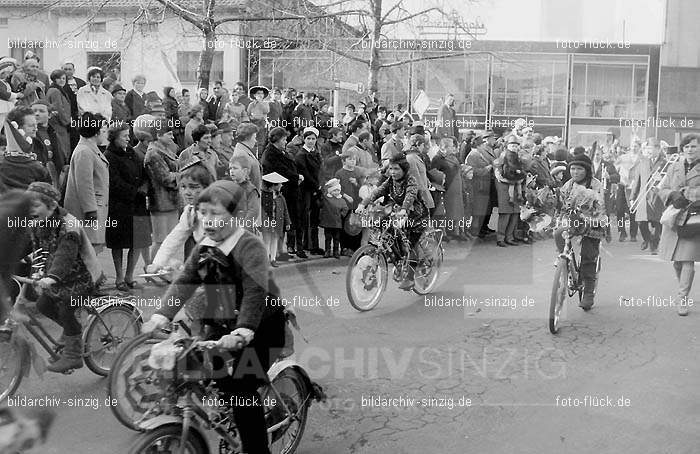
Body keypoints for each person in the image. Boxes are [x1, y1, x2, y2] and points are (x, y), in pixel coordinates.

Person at [141, 180, 286, 454]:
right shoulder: (205, 246)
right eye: (202, 212)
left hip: (261, 326)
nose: (207, 220)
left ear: (237, 216)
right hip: (221, 321)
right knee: (197, 371)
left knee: (242, 391)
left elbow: (255, 292)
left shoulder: (249, 246)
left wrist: (243, 331)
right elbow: (184, 281)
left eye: (215, 213)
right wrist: (161, 315)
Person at [24, 182, 102, 373]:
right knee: (43, 304)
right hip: (60, 278)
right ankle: (72, 332)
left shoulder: (69, 226)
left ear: (51, 205)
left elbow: (64, 256)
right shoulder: (37, 222)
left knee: (67, 310)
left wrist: (51, 277)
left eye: (34, 206)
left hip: (83, 277)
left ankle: (74, 356)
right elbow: (31, 246)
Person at [356, 154, 428, 290]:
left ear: (404, 169)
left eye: (396, 169)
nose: (393, 172)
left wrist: (404, 209)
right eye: (391, 168)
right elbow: (376, 192)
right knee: (384, 230)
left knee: (411, 244)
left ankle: (410, 278)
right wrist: (363, 204)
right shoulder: (390, 181)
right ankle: (395, 258)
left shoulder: (411, 180)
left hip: (416, 215)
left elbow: (410, 196)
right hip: (397, 212)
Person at [554, 153, 606, 310]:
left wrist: (587, 214)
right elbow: (562, 203)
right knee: (558, 233)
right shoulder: (568, 184)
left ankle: (589, 291)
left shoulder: (595, 184)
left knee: (588, 257)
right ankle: (564, 256)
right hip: (573, 220)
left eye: (579, 169)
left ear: (587, 170)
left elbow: (599, 205)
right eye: (573, 169)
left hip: (593, 222)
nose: (575, 172)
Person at [658, 133, 700, 316]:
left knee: (687, 260)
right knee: (676, 262)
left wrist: (689, 194)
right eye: (686, 147)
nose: (690, 150)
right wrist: (671, 195)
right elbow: (662, 188)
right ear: (682, 149)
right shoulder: (674, 166)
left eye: (694, 146)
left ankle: (682, 299)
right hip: (674, 218)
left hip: (694, 218)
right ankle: (684, 290)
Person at [105, 123, 150, 291]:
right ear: (114, 138)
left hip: (137, 204)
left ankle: (129, 276)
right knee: (118, 244)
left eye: (128, 135)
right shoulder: (109, 155)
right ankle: (119, 278)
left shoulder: (131, 152)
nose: (128, 138)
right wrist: (135, 192)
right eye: (124, 136)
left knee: (136, 242)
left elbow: (143, 173)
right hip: (120, 206)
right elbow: (114, 182)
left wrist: (144, 189)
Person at [148, 157, 213, 273]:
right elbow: (174, 238)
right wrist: (158, 263)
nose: (187, 192)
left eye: (193, 187)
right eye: (183, 187)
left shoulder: (214, 212)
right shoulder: (189, 212)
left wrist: (187, 269)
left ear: (206, 188)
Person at [62, 113, 110, 256]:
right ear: (96, 132)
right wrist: (90, 210)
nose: (105, 134)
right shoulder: (85, 151)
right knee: (87, 253)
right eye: (104, 130)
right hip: (86, 212)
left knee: (91, 252)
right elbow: (85, 184)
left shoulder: (89, 149)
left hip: (95, 207)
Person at [261, 126, 303, 259]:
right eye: (284, 139)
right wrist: (296, 177)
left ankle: (279, 251)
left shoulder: (281, 152)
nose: (286, 142)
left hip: (288, 191)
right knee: (278, 222)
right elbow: (280, 170)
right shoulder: (270, 154)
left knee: (285, 222)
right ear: (276, 140)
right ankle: (275, 252)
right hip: (279, 192)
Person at [144, 123, 180, 258]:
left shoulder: (164, 149)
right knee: (160, 241)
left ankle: (165, 271)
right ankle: (153, 270)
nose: (172, 137)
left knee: (170, 241)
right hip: (160, 203)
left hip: (169, 202)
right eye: (169, 134)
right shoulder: (153, 153)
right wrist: (180, 175)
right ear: (158, 135)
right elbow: (165, 178)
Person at [0, 107, 52, 190]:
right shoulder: (3, 154)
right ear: (18, 128)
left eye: (36, 125)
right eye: (31, 126)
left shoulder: (39, 145)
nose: (35, 129)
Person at [629, 139, 666, 254]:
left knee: (658, 224)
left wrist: (662, 180)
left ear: (658, 149)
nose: (648, 151)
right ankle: (647, 239)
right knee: (641, 222)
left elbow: (670, 180)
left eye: (651, 149)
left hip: (657, 198)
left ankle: (654, 245)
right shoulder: (642, 162)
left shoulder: (665, 163)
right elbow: (637, 181)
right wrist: (632, 197)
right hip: (643, 198)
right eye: (647, 149)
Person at [432, 136, 467, 241]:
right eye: (452, 146)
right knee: (448, 212)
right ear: (444, 147)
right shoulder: (437, 159)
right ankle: (447, 233)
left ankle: (457, 231)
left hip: (457, 188)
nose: (454, 148)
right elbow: (433, 173)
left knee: (457, 211)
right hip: (447, 189)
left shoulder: (453, 157)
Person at [294, 127, 323, 255]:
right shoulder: (301, 155)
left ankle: (314, 245)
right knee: (303, 217)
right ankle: (302, 246)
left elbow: (321, 170)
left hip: (316, 188)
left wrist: (320, 184)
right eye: (308, 139)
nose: (311, 141)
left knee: (315, 218)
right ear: (304, 139)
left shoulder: (316, 153)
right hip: (305, 189)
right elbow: (305, 173)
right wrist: (316, 186)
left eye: (313, 139)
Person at [493, 135, 526, 247]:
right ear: (507, 146)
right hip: (505, 188)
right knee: (506, 213)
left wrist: (519, 179)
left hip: (516, 187)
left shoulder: (517, 158)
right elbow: (498, 175)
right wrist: (510, 180)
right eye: (512, 145)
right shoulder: (502, 157)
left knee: (515, 213)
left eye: (516, 146)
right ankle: (501, 238)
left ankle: (510, 237)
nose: (514, 147)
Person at [260, 172, 291, 266]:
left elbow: (285, 210)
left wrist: (287, 222)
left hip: (277, 222)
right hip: (267, 222)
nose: (281, 185)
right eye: (279, 184)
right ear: (273, 185)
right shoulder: (263, 196)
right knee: (266, 240)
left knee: (274, 240)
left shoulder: (281, 197)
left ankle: (273, 258)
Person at [335, 151, 362, 255]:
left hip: (356, 204)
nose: (353, 161)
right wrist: (345, 195)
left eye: (354, 159)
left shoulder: (357, 173)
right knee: (344, 227)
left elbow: (362, 188)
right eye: (350, 159)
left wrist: (356, 183)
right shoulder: (339, 173)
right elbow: (335, 188)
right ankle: (345, 247)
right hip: (344, 205)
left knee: (356, 226)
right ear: (344, 161)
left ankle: (355, 248)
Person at [320, 178, 352, 258]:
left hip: (337, 223)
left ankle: (336, 251)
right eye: (334, 190)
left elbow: (346, 208)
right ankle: (327, 251)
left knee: (336, 238)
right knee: (328, 238)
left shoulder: (341, 200)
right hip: (327, 222)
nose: (336, 192)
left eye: (338, 190)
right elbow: (323, 193)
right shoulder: (327, 198)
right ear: (330, 191)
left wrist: (342, 215)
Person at [45, 69, 72, 165]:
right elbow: (59, 108)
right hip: (59, 124)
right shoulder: (55, 91)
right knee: (62, 149)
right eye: (59, 78)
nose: (62, 80)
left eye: (64, 78)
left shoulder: (56, 89)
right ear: (54, 79)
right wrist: (66, 122)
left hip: (58, 123)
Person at [228, 155, 260, 233]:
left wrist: (243, 228)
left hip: (244, 231)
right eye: (230, 168)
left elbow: (253, 211)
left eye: (235, 168)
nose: (231, 171)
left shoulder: (251, 190)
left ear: (245, 171)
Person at [232, 122, 262, 191]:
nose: (255, 141)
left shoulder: (245, 150)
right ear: (247, 137)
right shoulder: (241, 154)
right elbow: (241, 183)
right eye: (254, 137)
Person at [247, 86, 270, 156]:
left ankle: (260, 154)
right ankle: (253, 154)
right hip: (253, 123)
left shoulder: (265, 103)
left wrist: (260, 103)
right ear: (254, 95)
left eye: (262, 94)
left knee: (261, 141)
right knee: (253, 140)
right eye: (258, 93)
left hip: (262, 123)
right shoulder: (251, 104)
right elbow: (248, 113)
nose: (260, 95)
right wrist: (251, 117)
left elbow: (266, 110)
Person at [0, 58, 21, 126]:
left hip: (7, 107)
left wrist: (15, 101)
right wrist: (16, 95)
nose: (9, 75)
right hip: (2, 107)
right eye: (7, 73)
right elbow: (4, 94)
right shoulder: (1, 83)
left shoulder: (6, 83)